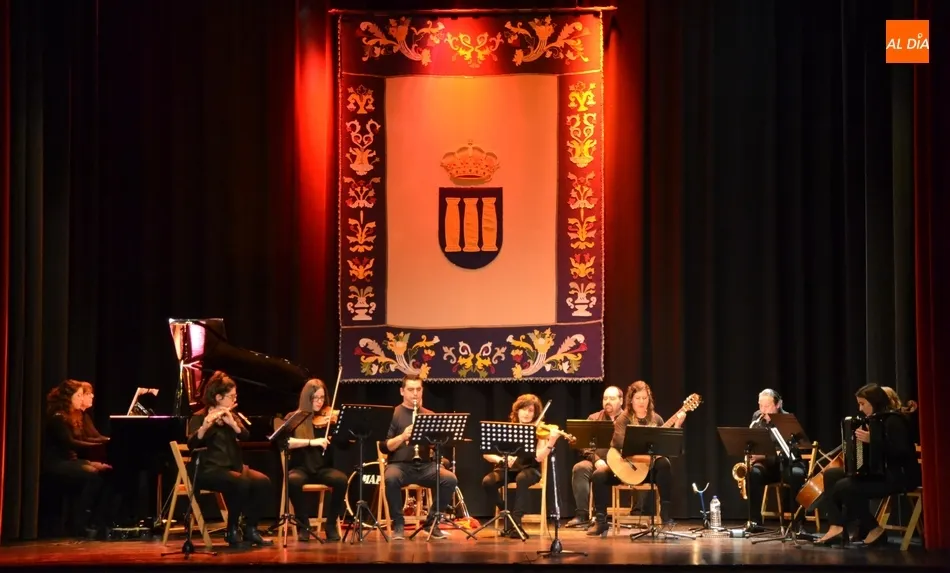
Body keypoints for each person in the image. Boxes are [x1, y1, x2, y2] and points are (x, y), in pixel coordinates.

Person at [814, 383, 921, 547]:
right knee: (831, 474)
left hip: (898, 476)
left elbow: (902, 452)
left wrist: (873, 440)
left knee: (846, 486)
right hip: (879, 473)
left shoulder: (894, 420)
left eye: (863, 404)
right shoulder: (873, 420)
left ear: (875, 401)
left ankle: (873, 528)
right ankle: (835, 527)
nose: (860, 408)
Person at [587, 381, 685, 536]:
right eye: (638, 398)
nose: (641, 401)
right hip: (625, 467)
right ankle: (601, 521)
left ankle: (665, 515)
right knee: (598, 476)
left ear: (649, 399)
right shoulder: (623, 419)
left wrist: (677, 425)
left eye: (644, 398)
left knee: (664, 464)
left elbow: (665, 447)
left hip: (646, 471)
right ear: (631, 400)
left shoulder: (656, 419)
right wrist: (642, 456)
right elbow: (619, 443)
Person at [187, 371, 273, 547]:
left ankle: (251, 529)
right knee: (240, 483)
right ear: (218, 397)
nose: (234, 399)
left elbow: (246, 436)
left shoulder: (231, 415)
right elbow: (191, 444)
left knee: (263, 482)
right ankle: (232, 530)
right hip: (208, 470)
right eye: (231, 396)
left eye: (235, 396)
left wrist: (233, 424)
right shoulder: (199, 417)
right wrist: (204, 427)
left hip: (233, 467)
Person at [382, 375, 459, 540]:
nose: (415, 393)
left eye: (418, 389)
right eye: (410, 389)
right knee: (391, 478)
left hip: (424, 466)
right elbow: (385, 446)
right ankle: (399, 524)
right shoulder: (393, 413)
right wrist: (402, 437)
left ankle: (431, 523)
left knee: (450, 479)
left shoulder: (429, 414)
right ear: (402, 391)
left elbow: (438, 447)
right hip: (399, 465)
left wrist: (433, 442)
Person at [482, 393, 561, 538]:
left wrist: (551, 443)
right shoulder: (507, 428)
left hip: (530, 469)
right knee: (488, 482)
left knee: (522, 478)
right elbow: (487, 454)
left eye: (531, 411)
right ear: (517, 410)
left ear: (535, 414)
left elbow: (538, 457)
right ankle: (508, 514)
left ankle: (516, 523)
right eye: (524, 409)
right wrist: (501, 459)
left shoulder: (537, 431)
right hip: (508, 468)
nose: (526, 413)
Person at [42, 379, 114, 538]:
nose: (82, 399)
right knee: (92, 475)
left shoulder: (73, 416)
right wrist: (98, 448)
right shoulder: (58, 417)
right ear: (69, 397)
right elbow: (70, 442)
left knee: (105, 473)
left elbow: (89, 438)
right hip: (57, 463)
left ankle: (96, 521)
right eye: (79, 395)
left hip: (71, 461)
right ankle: (79, 524)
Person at [283, 378, 347, 542]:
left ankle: (331, 524)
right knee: (293, 481)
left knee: (341, 480)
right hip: (301, 468)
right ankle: (303, 524)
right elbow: (285, 442)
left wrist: (342, 435)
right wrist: (311, 442)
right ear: (307, 398)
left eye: (322, 398)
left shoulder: (329, 418)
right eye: (315, 398)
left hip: (323, 468)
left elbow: (344, 444)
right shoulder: (294, 417)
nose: (320, 402)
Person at [744, 389, 808, 532]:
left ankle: (798, 524)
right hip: (769, 468)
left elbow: (787, 452)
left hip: (787, 464)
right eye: (760, 406)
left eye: (767, 406)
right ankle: (755, 522)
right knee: (753, 474)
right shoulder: (757, 417)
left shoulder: (787, 420)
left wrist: (763, 456)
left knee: (796, 475)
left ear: (778, 405)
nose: (762, 410)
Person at [566, 386, 624, 528]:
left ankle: (637, 514)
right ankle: (582, 515)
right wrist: (596, 459)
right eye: (605, 398)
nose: (607, 402)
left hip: (622, 463)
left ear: (621, 401)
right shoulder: (594, 418)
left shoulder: (628, 418)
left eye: (612, 398)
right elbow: (583, 444)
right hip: (597, 462)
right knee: (580, 468)